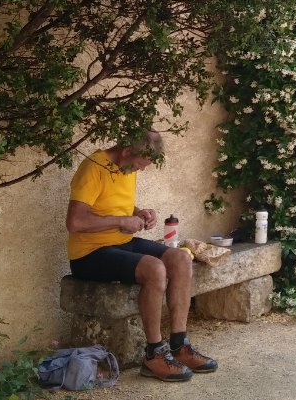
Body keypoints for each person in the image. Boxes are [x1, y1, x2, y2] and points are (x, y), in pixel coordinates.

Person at [66, 129, 218, 382]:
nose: (141, 170)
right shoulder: (93, 167)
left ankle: (179, 346)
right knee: (155, 269)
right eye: (140, 164)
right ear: (126, 151)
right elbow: (75, 221)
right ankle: (154, 354)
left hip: (120, 242)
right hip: (89, 253)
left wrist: (139, 212)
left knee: (181, 258)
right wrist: (122, 220)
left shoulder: (126, 167)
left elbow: (111, 205)